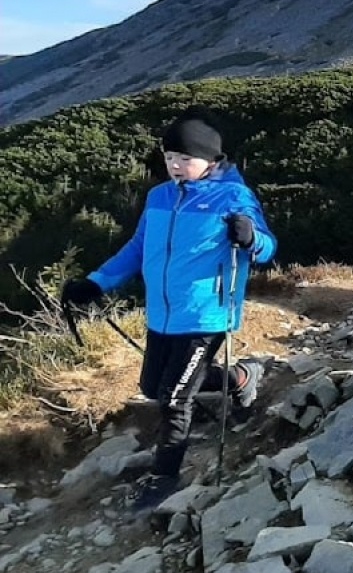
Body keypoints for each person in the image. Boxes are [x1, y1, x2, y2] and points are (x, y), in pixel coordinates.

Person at [59, 109, 275, 514]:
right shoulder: (159, 196)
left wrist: (251, 239)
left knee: (175, 399)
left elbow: (266, 247)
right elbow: (138, 248)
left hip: (206, 314)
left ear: (211, 160)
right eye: (169, 156)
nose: (175, 165)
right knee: (153, 387)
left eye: (185, 158)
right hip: (162, 314)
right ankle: (242, 378)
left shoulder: (233, 197)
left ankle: (165, 478)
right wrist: (97, 282)